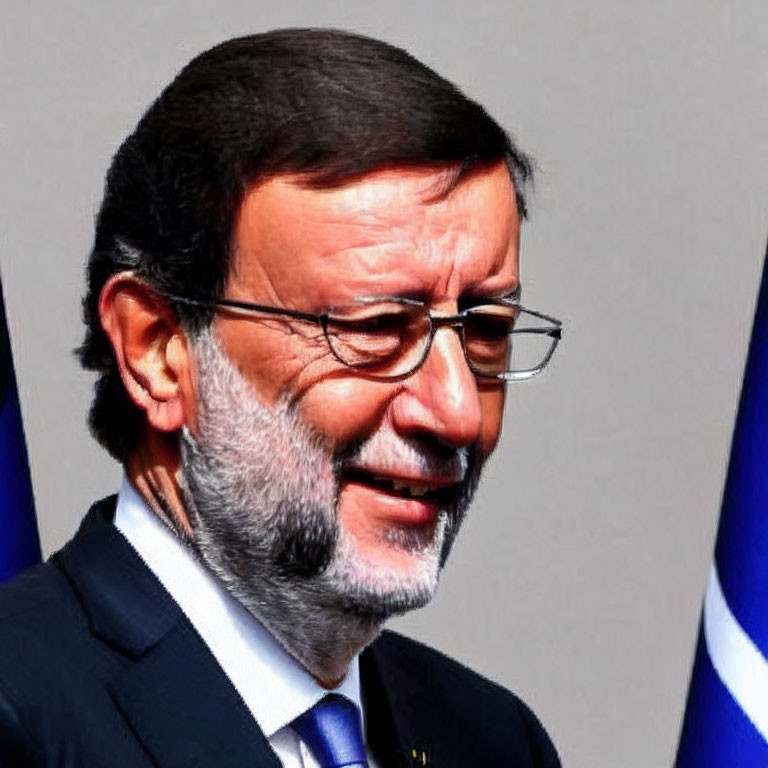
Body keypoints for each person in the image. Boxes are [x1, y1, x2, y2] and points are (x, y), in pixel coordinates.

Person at [0, 29, 563, 767]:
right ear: (158, 350)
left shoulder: (492, 740)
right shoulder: (20, 719)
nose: (457, 411)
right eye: (376, 327)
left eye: (486, 328)